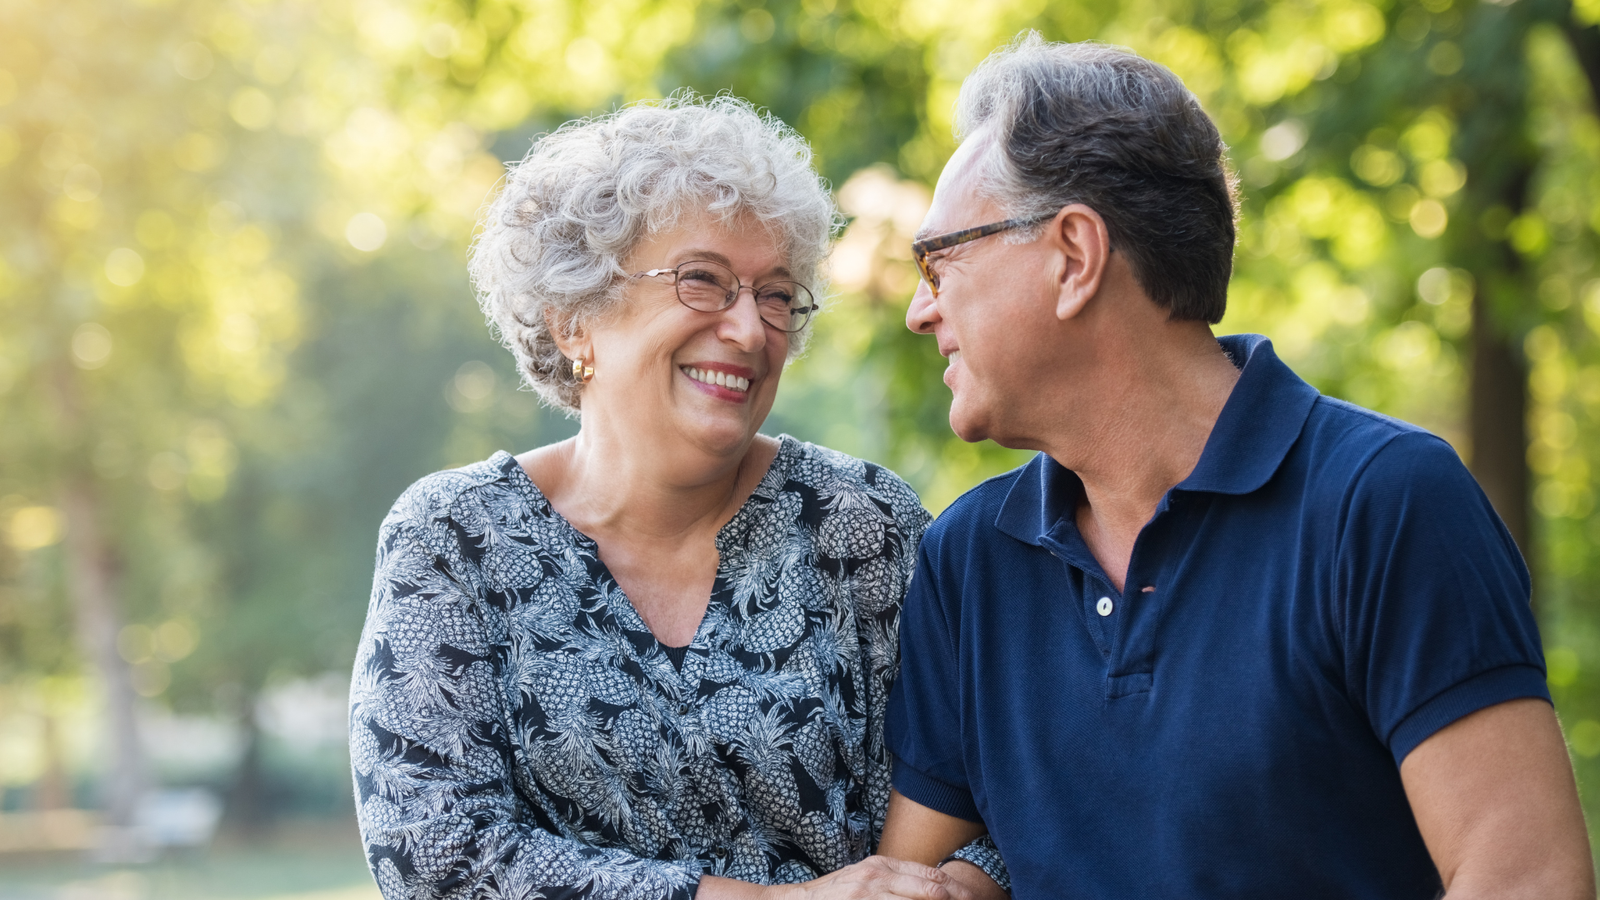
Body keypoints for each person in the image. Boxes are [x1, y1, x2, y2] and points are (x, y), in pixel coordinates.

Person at [876, 33, 1596, 900]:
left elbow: (1526, 877)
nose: (922, 311)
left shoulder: (1385, 502)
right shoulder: (969, 561)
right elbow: (907, 883)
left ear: (1073, 256)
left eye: (940, 261)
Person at [348, 95, 1006, 900]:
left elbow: (1015, 783)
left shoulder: (861, 523)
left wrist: (967, 886)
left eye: (774, 294)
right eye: (703, 281)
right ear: (573, 320)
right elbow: (437, 854)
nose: (750, 329)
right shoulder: (454, 537)